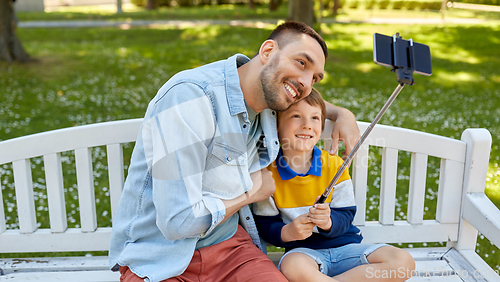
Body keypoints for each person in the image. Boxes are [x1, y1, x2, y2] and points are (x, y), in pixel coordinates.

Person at [109, 21, 360, 282]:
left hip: (232, 249)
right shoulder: (189, 99)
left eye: (315, 78)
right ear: (267, 51)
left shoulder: (269, 99)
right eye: (301, 63)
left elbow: (302, 97)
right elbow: (178, 222)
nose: (306, 83)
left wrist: (342, 113)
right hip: (161, 256)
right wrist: (251, 194)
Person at [253, 88, 415, 282]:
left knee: (403, 262)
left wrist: (329, 222)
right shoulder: (268, 173)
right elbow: (265, 225)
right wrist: (288, 232)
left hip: (347, 249)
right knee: (292, 267)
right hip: (304, 253)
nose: (307, 125)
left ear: (321, 126)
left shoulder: (333, 165)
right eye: (296, 116)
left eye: (315, 118)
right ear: (276, 126)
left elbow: (346, 213)